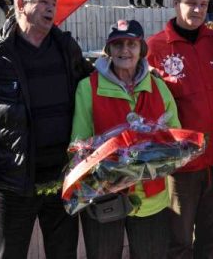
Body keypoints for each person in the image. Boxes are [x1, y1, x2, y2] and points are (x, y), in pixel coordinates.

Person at [0, 0, 93, 259]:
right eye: (44, 2)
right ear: (21, 5)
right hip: (12, 184)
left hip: (62, 179)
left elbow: (93, 90)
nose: (51, 9)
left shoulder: (67, 48)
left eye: (54, 4)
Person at [146, 0, 213, 258]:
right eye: (191, 3)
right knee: (178, 240)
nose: (198, 10)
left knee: (212, 237)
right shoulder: (155, 47)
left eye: (204, 4)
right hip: (181, 163)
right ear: (176, 3)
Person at [72, 19, 180, 258]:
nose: (124, 50)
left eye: (131, 44)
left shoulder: (158, 87)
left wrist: (153, 164)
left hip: (151, 199)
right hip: (105, 198)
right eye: (118, 44)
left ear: (142, 49)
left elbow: (175, 140)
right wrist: (109, 174)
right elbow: (79, 146)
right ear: (108, 50)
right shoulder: (87, 88)